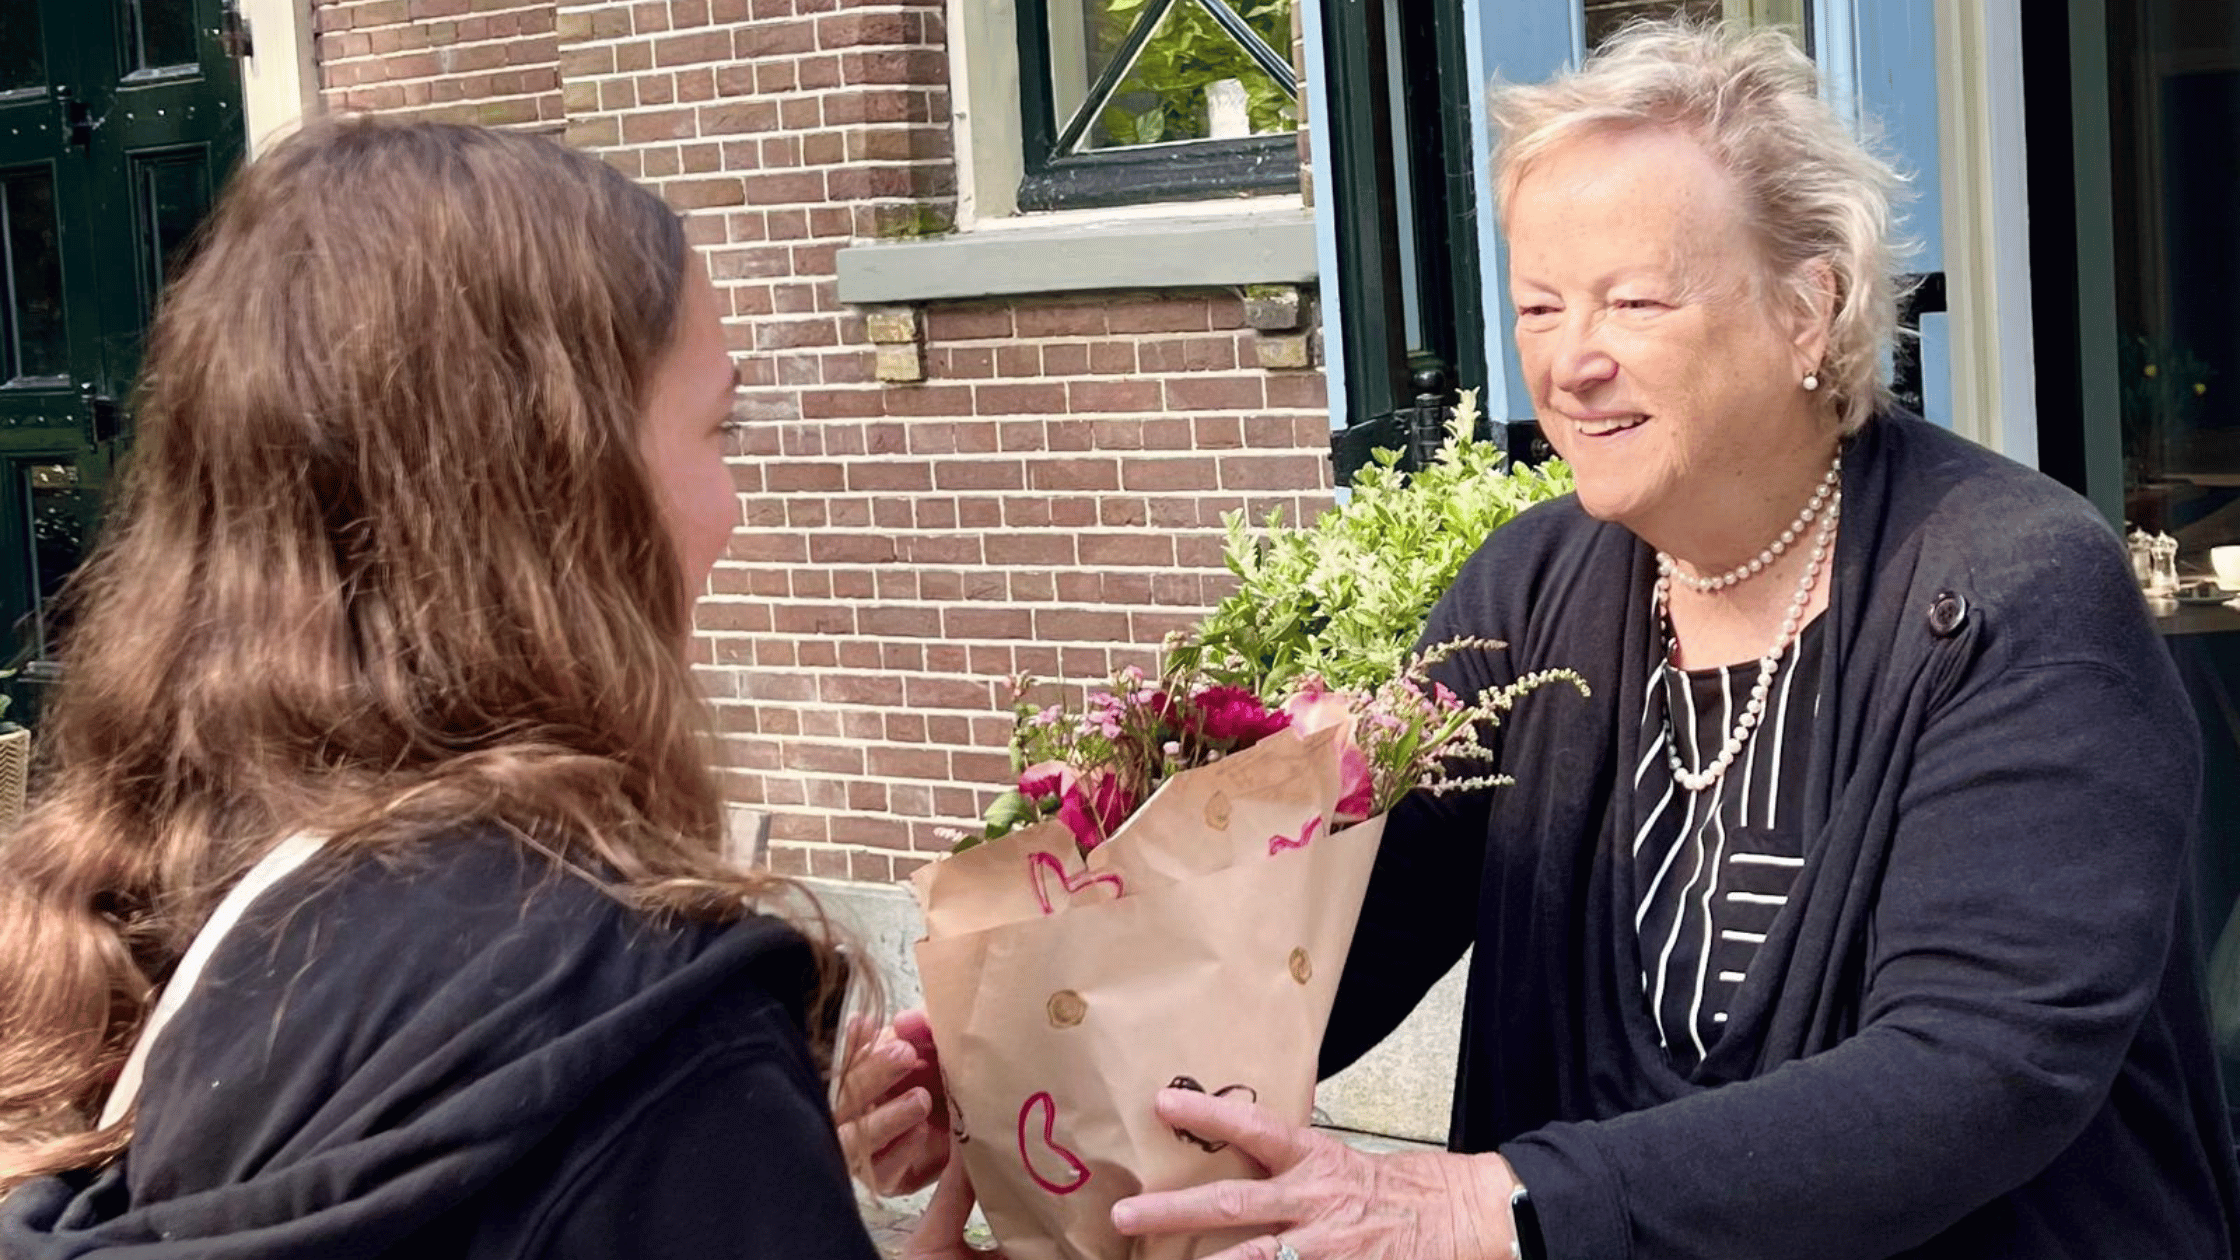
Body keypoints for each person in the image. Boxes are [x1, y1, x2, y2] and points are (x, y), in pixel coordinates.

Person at [1098, 20, 2240, 1259]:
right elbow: (1333, 947)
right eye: (1537, 304)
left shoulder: (2017, 587)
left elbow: (1977, 1065)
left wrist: (1502, 1201)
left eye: (1632, 301)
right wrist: (1049, 1067)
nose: (1570, 361)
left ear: (1810, 311)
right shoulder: (1525, 590)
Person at [0, 118, 976, 1260]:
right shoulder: (632, 1016)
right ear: (568, 492)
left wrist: (750, 1172)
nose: (730, 509)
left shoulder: (161, 919)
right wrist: (701, 1144)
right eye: (720, 428)